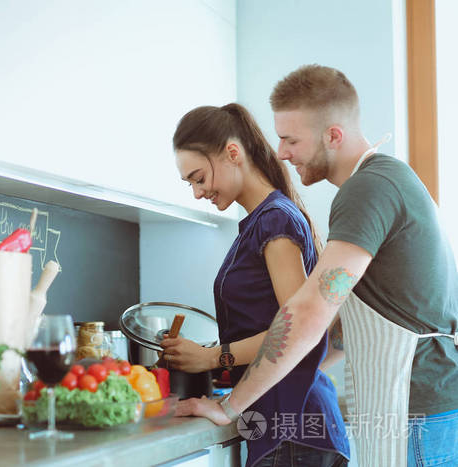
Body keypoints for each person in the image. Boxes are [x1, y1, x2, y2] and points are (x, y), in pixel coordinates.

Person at [176, 65, 458, 467]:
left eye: (291, 139)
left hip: (417, 410)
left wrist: (231, 406)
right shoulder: (383, 181)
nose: (280, 152)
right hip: (419, 407)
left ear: (333, 135)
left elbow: (309, 311)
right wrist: (277, 378)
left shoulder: (368, 189)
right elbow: (340, 329)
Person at [168, 102, 349, 466]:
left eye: (199, 178)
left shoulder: (274, 222)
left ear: (232, 153)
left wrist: (210, 356)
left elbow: (299, 331)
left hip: (293, 433)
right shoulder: (265, 221)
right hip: (292, 427)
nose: (197, 193)